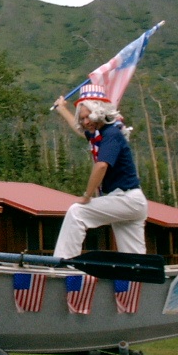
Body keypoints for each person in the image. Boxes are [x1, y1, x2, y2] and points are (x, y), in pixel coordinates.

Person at [51, 83, 147, 259]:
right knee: (134, 256)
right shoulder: (100, 134)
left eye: (88, 116)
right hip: (129, 201)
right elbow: (81, 132)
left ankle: (62, 263)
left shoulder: (111, 134)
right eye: (82, 118)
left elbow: (101, 165)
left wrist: (87, 196)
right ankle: (140, 280)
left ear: (100, 112)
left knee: (77, 212)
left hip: (126, 198)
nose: (85, 122)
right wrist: (62, 109)